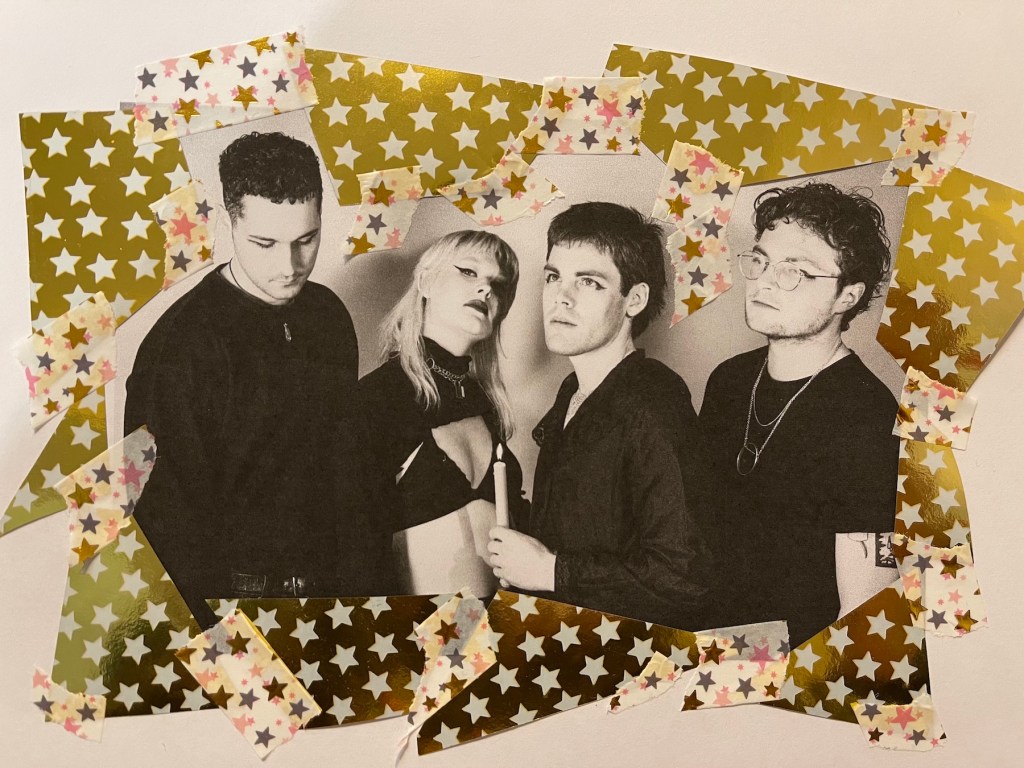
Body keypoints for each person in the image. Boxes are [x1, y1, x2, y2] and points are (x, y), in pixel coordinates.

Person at [125, 131, 391, 628]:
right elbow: (165, 527)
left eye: (306, 240)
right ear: (230, 223)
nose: (289, 266)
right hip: (233, 611)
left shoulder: (329, 316)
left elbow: (349, 479)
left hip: (337, 602)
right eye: (264, 243)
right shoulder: (179, 347)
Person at [487, 202, 709, 629]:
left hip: (625, 656)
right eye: (553, 277)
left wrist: (551, 571)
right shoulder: (572, 390)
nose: (561, 297)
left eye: (589, 282)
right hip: (561, 639)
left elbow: (685, 577)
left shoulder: (654, 401)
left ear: (634, 299)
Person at [697, 182, 899, 647]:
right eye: (761, 262)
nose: (765, 282)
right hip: (705, 647)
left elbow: (863, 614)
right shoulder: (728, 380)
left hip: (791, 668)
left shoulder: (867, 417)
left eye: (796, 271)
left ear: (847, 296)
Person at [359, 230, 527, 597]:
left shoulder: (488, 404)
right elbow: (352, 551)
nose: (486, 289)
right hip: (417, 627)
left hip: (501, 623)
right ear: (426, 282)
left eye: (498, 284)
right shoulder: (377, 397)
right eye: (469, 271)